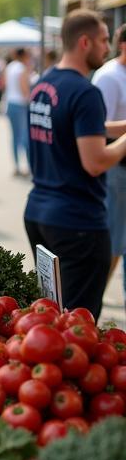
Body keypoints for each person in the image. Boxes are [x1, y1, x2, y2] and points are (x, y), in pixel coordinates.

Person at [25, 10, 126, 318]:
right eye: (104, 40)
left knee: (51, 316)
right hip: (77, 222)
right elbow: (95, 162)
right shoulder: (86, 92)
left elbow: (79, 128)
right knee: (76, 323)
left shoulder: (45, 84)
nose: (108, 47)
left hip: (40, 214)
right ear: (85, 42)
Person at [95, 24, 126, 295]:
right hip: (116, 167)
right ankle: (95, 298)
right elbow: (97, 126)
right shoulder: (109, 77)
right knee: (115, 238)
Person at [4, 47, 32, 177]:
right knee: (25, 136)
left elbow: (4, 84)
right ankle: (29, 166)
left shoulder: (10, 67)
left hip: (9, 103)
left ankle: (16, 166)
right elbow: (24, 88)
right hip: (20, 104)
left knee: (15, 137)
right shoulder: (22, 68)